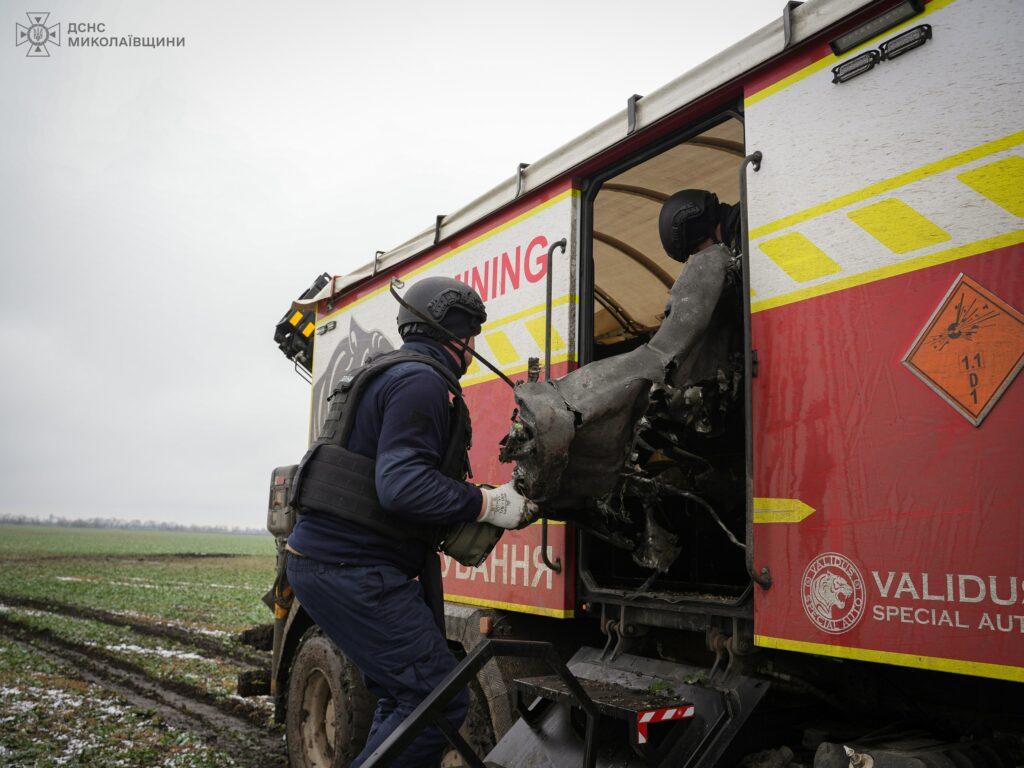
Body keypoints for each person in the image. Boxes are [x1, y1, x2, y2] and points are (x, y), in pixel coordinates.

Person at [284, 276, 532, 767]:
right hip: (352, 567)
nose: (473, 347)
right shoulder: (422, 382)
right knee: (436, 701)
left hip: (329, 561)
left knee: (405, 699)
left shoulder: (391, 372)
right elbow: (401, 486)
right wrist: (485, 505)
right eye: (471, 334)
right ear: (454, 331)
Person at [657, 188, 741, 261]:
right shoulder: (738, 245)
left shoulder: (744, 230)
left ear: (704, 230)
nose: (703, 258)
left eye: (697, 251)